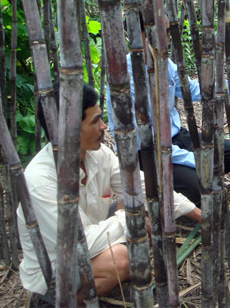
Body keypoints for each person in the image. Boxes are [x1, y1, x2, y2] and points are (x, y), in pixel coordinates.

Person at [17, 82, 201, 304]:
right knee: (122, 258)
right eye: (96, 121)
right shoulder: (40, 181)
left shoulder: (98, 154)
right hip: (57, 268)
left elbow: (141, 187)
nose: (104, 126)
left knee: (137, 205)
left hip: (92, 236)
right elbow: (81, 241)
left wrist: (199, 215)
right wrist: (133, 219)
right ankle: (62, 302)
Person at [107, 15, 230, 206]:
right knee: (199, 185)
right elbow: (141, 142)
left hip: (177, 139)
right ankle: (168, 196)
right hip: (147, 154)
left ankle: (188, 182)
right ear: (141, 35)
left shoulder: (164, 64)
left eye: (169, 32)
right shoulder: (122, 79)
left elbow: (194, 89)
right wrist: (194, 160)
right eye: (165, 32)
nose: (169, 38)